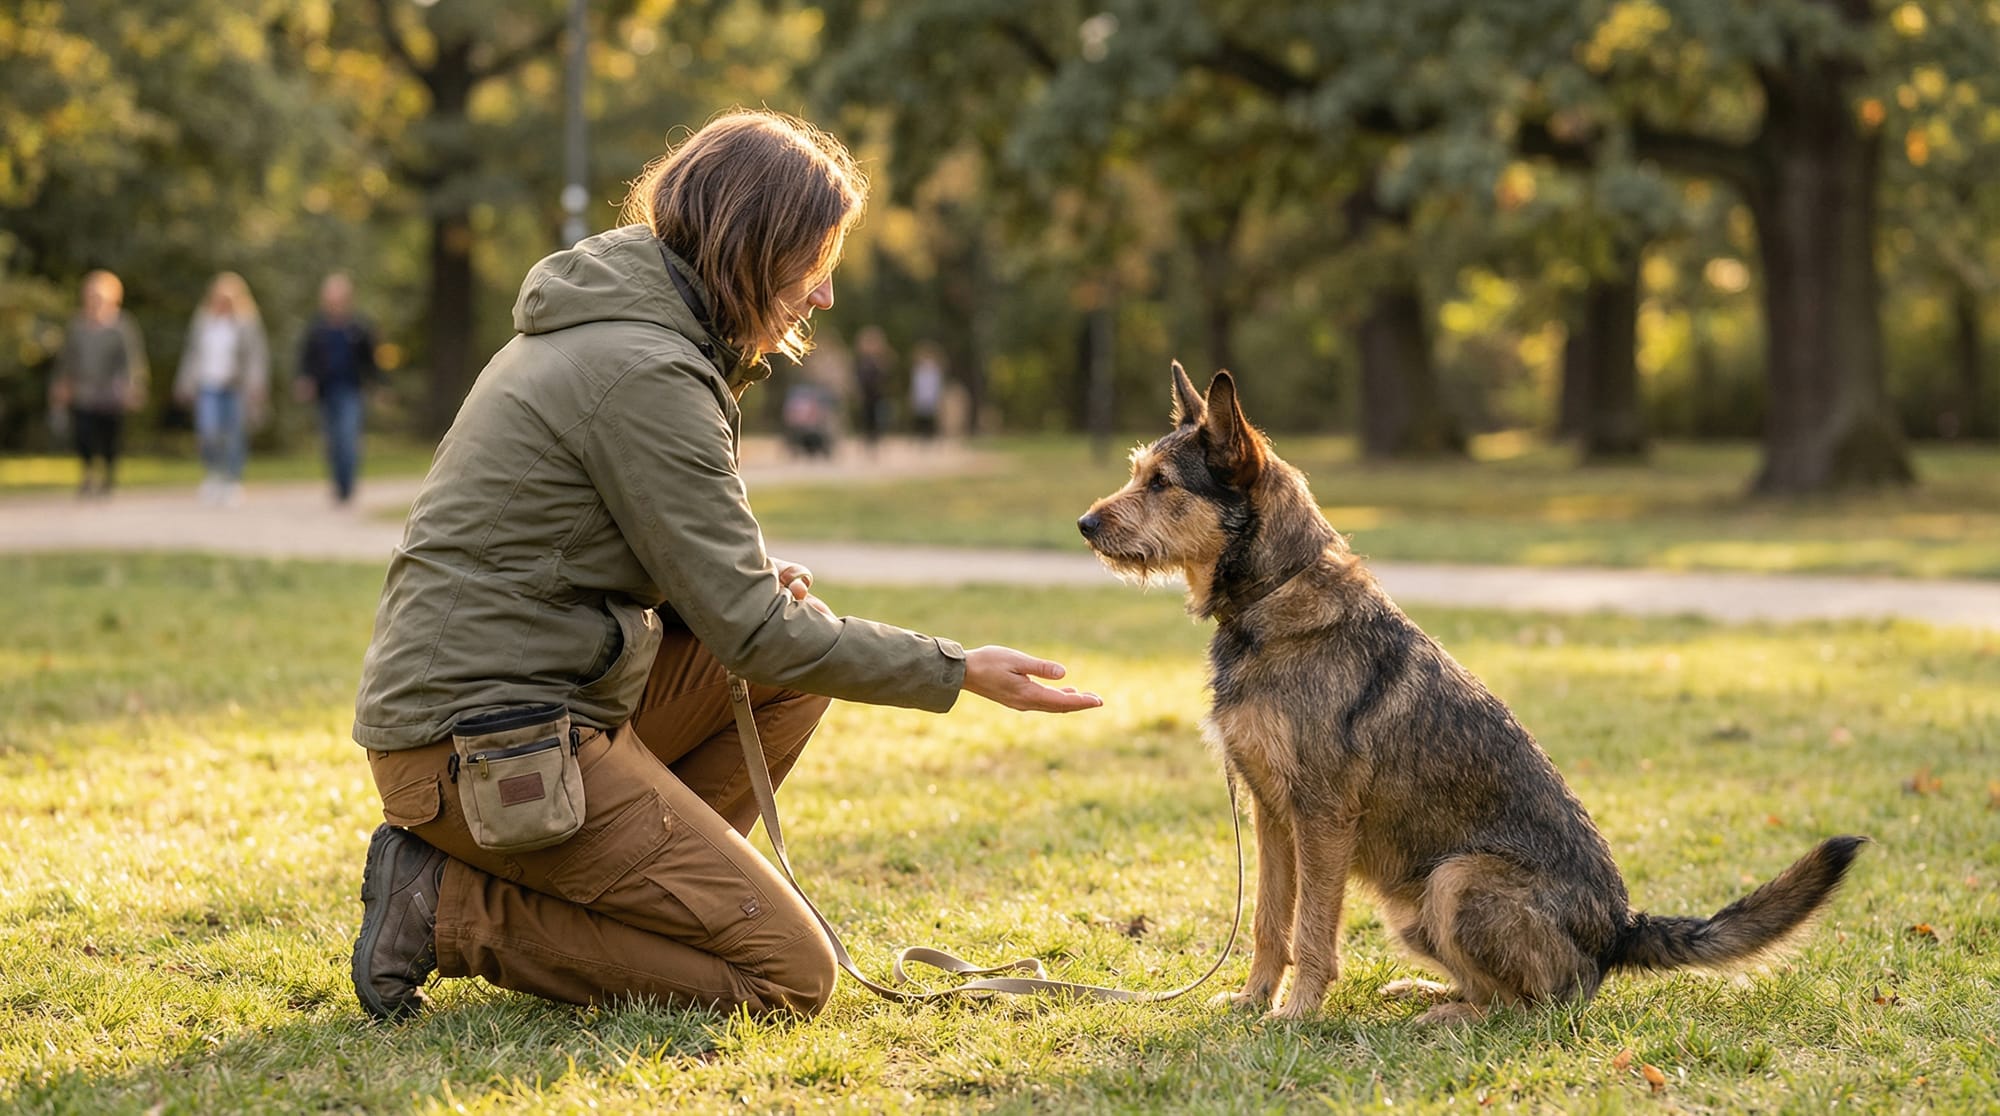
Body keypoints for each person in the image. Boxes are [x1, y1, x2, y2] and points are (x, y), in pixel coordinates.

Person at [349, 109, 1101, 1022]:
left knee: (793, 680)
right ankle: (447, 912)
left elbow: (613, 563)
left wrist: (732, 589)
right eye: (814, 258)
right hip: (483, 749)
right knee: (788, 977)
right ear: (754, 242)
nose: (824, 296)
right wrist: (958, 669)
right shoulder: (644, 370)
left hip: (533, 709)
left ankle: (631, 900)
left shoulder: (630, 336)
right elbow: (754, 633)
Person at [50, 271, 149, 497]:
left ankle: (108, 474)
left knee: (109, 435)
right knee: (83, 433)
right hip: (84, 390)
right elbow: (67, 359)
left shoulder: (122, 325)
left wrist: (134, 386)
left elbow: (132, 360)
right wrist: (61, 384)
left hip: (111, 394)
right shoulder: (77, 325)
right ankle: (87, 473)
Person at [174, 272, 269, 505]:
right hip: (208, 385)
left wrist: (257, 384)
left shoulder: (246, 323)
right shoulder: (203, 322)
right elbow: (192, 354)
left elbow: (257, 356)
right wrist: (184, 383)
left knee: (234, 435)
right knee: (208, 432)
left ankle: (232, 480)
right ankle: (213, 475)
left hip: (235, 387)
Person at [297, 272, 381, 505]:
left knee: (347, 436)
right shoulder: (317, 329)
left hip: (351, 390)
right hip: (326, 391)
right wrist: (306, 380)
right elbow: (307, 359)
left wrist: (378, 386)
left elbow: (370, 361)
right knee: (332, 441)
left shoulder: (358, 328)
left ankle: (347, 486)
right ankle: (338, 483)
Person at [851, 325, 893, 452]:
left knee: (878, 421)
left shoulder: (881, 360)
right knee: (866, 420)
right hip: (865, 396)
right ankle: (867, 444)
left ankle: (876, 444)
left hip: (878, 396)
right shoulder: (861, 361)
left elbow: (886, 378)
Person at [908, 342, 945, 441]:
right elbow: (915, 385)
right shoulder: (918, 370)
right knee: (921, 417)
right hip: (921, 396)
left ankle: (930, 435)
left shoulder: (935, 371)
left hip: (931, 396)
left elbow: (937, 385)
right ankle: (921, 435)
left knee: (930, 417)